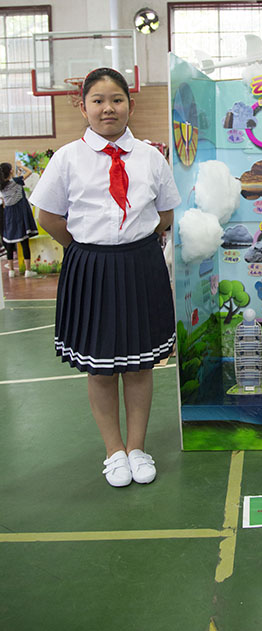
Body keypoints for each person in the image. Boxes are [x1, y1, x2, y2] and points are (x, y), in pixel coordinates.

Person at [30, 68, 181, 488]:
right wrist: (85, 249)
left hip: (141, 265)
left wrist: (133, 245)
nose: (108, 108)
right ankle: (114, 452)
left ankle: (137, 448)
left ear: (130, 104)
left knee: (139, 364)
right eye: (98, 100)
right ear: (83, 106)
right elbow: (47, 217)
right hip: (90, 267)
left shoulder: (150, 157)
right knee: (100, 368)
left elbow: (165, 213)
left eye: (116, 99)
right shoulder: (67, 158)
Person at [0, 161, 39, 277]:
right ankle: (28, 270)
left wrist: (17, 173)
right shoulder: (16, 181)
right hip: (20, 214)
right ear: (10, 171)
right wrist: (20, 165)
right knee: (24, 242)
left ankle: (11, 271)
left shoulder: (2, 185)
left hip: (8, 215)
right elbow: (30, 172)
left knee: (9, 243)